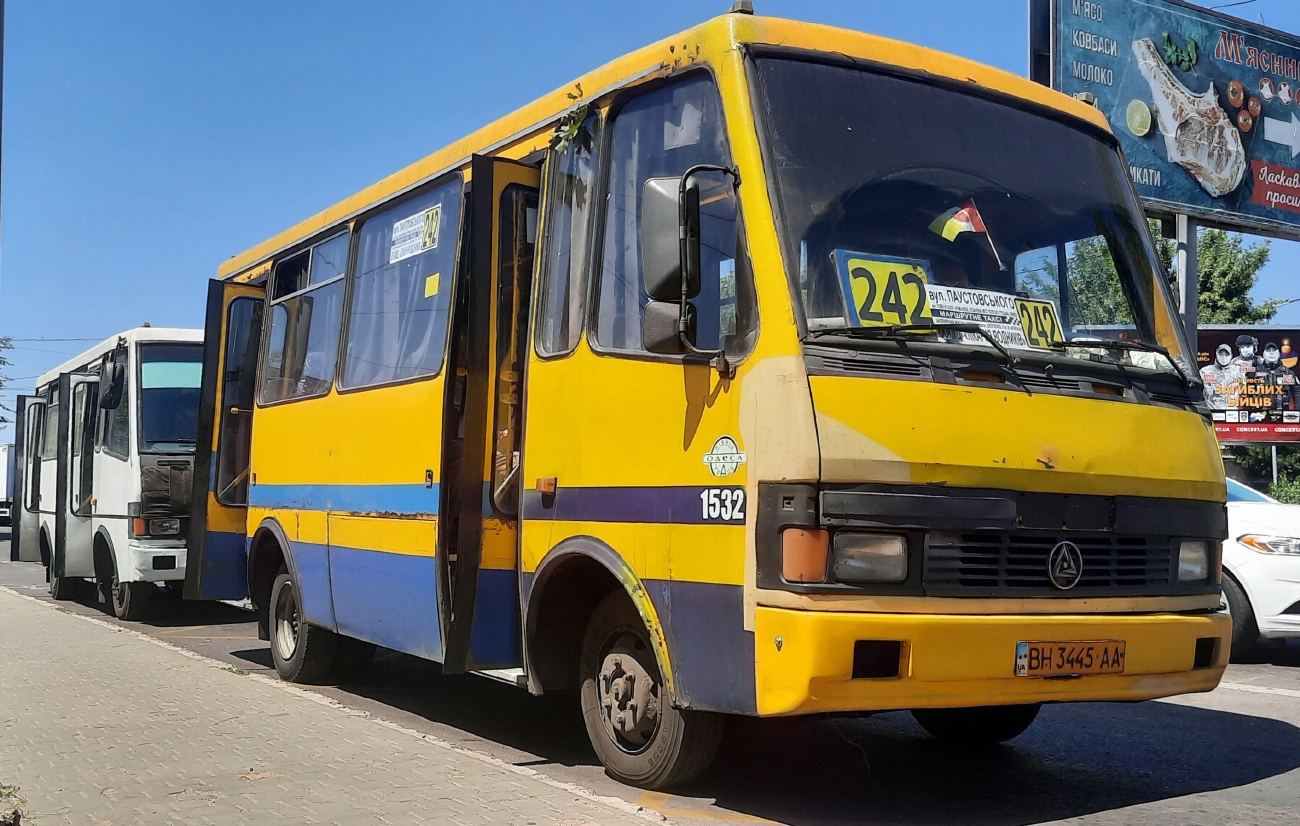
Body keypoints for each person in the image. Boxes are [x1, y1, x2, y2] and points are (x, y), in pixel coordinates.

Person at [1200, 343, 1242, 410]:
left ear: (1231, 356)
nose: (1223, 357)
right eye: (1221, 354)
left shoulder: (1239, 371)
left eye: (1227, 354)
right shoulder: (1205, 371)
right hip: (1211, 413)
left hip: (1232, 414)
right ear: (1216, 354)